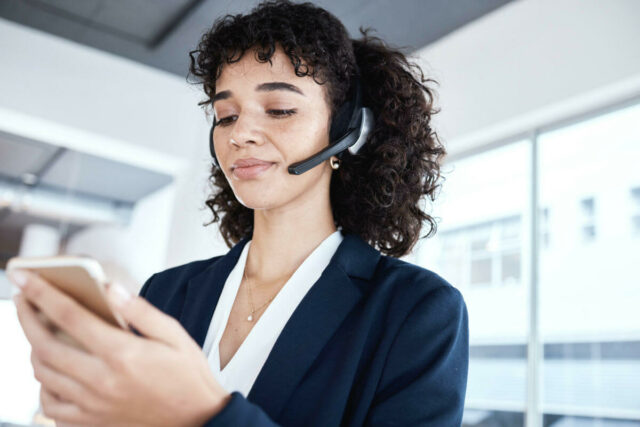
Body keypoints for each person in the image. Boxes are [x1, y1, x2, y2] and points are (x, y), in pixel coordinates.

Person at [10, 0, 469, 425]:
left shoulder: (416, 312)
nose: (241, 133)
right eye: (226, 115)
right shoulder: (166, 292)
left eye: (280, 109)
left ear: (349, 132)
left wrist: (204, 413)